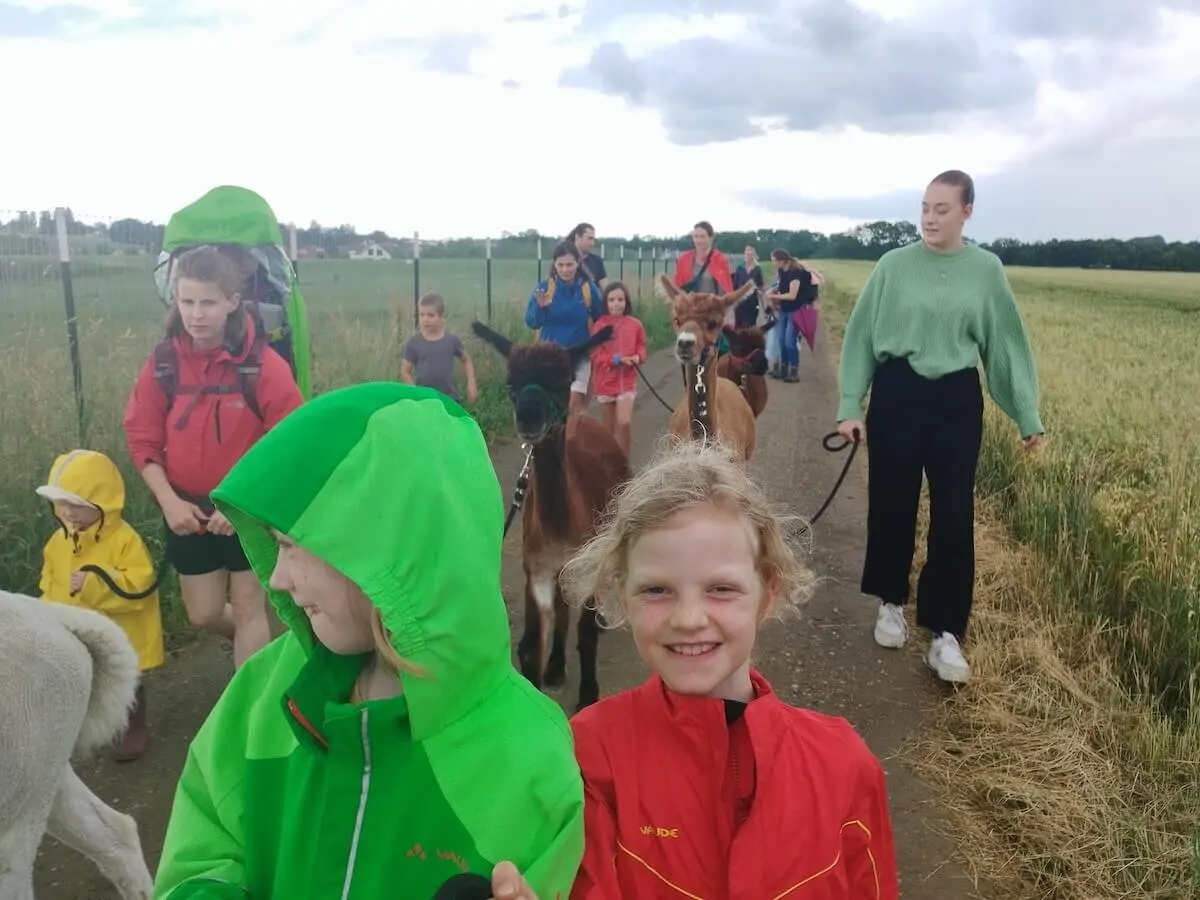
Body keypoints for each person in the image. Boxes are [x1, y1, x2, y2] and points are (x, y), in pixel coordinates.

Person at [153, 382, 584, 900]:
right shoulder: (265, 692)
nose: (278, 580)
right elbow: (201, 849)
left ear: (387, 556)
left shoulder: (531, 761)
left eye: (290, 546)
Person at [560, 440, 900, 899]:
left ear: (767, 593)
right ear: (624, 596)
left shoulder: (845, 768)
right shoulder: (590, 760)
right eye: (656, 590)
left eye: (721, 589)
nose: (688, 619)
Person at [836, 169, 1045, 685]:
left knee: (954, 512)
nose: (929, 218)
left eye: (942, 209)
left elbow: (1005, 343)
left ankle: (945, 631)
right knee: (893, 501)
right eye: (925, 208)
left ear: (967, 212)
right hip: (897, 392)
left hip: (956, 398)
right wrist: (849, 404)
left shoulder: (986, 270)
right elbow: (860, 336)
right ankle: (890, 602)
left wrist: (1026, 413)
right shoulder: (893, 265)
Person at [123, 245, 304, 670]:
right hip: (185, 508)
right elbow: (141, 438)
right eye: (187, 301)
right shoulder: (163, 364)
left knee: (247, 606)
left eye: (208, 302)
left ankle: (249, 704)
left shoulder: (262, 365)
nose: (196, 314)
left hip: (246, 507)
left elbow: (290, 441)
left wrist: (245, 504)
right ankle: (262, 650)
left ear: (232, 303)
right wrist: (169, 502)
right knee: (203, 614)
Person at [36, 449, 163, 762]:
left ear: (102, 502)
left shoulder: (124, 540)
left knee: (125, 680)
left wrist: (93, 582)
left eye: (76, 504)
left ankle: (132, 727)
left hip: (121, 630)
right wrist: (45, 615)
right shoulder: (58, 543)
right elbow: (49, 583)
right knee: (80, 680)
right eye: (61, 503)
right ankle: (81, 731)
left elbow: (139, 585)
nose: (68, 512)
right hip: (73, 629)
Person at [525, 240, 605, 415]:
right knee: (553, 406)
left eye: (569, 265)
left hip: (579, 355)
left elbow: (601, 318)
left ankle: (571, 431)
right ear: (554, 265)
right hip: (549, 357)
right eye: (560, 265)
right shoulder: (544, 288)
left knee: (574, 404)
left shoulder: (588, 289)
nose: (565, 269)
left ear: (578, 263)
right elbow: (532, 322)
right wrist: (540, 308)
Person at [588, 281, 646, 458]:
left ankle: (624, 462)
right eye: (612, 300)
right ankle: (609, 461)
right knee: (609, 429)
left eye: (620, 300)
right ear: (605, 303)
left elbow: (641, 347)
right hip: (605, 383)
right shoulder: (599, 326)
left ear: (626, 302)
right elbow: (595, 353)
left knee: (624, 423)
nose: (616, 304)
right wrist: (616, 360)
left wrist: (638, 357)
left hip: (626, 383)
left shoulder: (635, 325)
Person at [400, 291, 478, 405]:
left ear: (441, 317)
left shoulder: (452, 341)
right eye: (422, 315)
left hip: (450, 399)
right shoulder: (413, 343)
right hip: (424, 401)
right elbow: (405, 371)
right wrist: (416, 392)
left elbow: (466, 360)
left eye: (431, 315)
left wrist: (471, 382)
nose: (425, 319)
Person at [762, 249, 817, 383]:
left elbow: (792, 295)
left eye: (774, 260)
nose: (772, 263)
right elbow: (781, 285)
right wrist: (772, 290)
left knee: (789, 341)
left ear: (781, 260)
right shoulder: (782, 271)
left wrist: (773, 296)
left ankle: (794, 371)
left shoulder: (795, 272)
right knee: (781, 340)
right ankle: (783, 369)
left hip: (796, 310)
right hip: (784, 310)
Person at [731, 245, 765, 328]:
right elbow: (735, 285)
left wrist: (760, 291)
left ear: (753, 256)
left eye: (750, 255)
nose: (748, 256)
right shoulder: (740, 268)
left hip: (752, 301)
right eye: (746, 254)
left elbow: (760, 284)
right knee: (738, 325)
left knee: (751, 324)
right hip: (740, 301)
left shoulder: (757, 269)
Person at [569, 222, 608, 287]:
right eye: (589, 238)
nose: (592, 243)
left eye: (593, 239)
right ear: (577, 237)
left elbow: (606, 289)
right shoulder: (564, 261)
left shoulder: (597, 261)